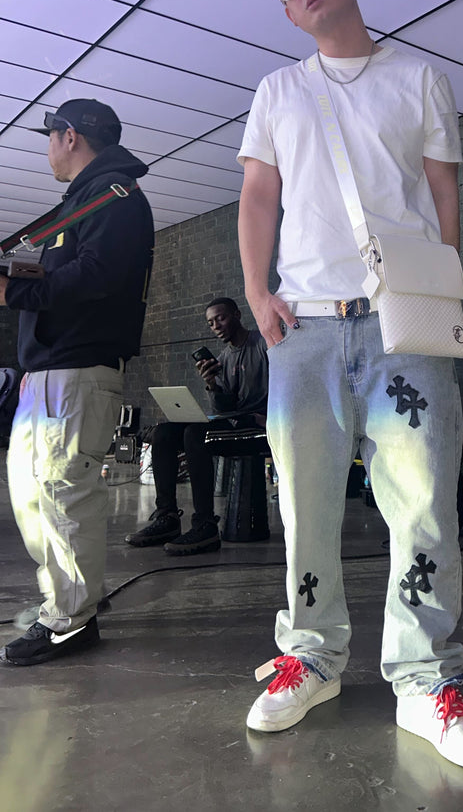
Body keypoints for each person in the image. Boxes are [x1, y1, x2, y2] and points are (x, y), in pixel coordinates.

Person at [236, 0, 463, 770]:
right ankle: (310, 656)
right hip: (304, 328)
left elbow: (444, 195)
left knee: (422, 501)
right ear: (287, 10)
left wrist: (442, 288)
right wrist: (256, 291)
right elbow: (258, 197)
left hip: (402, 322)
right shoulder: (278, 91)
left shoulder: (420, 79)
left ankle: (426, 677)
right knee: (305, 503)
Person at [0, 98, 154, 667]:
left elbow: (96, 276)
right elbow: (70, 273)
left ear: (70, 136)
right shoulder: (86, 199)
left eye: (50, 137)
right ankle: (64, 599)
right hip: (48, 373)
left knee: (65, 494)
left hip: (77, 370)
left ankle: (71, 618)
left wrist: (14, 292)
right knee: (33, 494)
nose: (47, 149)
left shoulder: (117, 197)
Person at [126, 297, 269, 555]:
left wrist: (273, 416)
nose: (216, 326)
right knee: (164, 433)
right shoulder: (223, 358)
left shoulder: (262, 344)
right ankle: (167, 517)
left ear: (237, 315)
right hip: (236, 422)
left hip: (262, 424)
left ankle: (205, 524)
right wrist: (212, 384)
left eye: (221, 318)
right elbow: (225, 408)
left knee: (195, 434)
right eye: (211, 323)